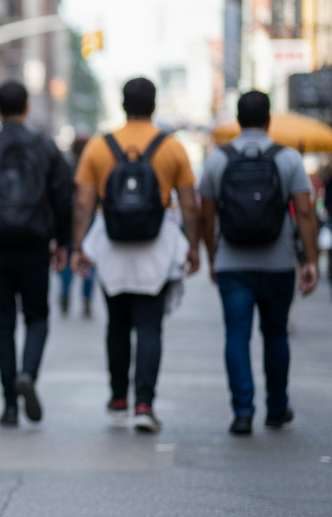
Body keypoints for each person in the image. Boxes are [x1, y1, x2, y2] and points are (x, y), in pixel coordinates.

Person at [71, 78, 201, 434]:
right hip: (155, 249)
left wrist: (78, 246)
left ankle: (117, 399)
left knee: (116, 324)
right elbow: (189, 204)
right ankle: (144, 404)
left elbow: (84, 202)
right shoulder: (172, 147)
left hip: (111, 247)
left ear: (122, 104)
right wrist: (193, 246)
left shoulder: (99, 146)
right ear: (155, 105)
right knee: (149, 326)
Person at [198, 91, 319, 435]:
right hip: (278, 262)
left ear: (237, 119)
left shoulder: (218, 159)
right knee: (275, 334)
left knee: (236, 337)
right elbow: (305, 212)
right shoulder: (289, 159)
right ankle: (277, 408)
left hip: (231, 263)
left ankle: (242, 412)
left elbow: (207, 217)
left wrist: (211, 257)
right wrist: (310, 260)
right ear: (269, 119)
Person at [0, 81, 72, 426]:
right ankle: (28, 374)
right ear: (26, 108)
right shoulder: (45, 148)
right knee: (37, 316)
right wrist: (63, 243)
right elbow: (62, 200)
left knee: (4, 324)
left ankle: (9, 406)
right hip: (35, 244)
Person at [58, 135, 96, 317]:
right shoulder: (91, 165)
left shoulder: (65, 166)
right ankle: (87, 300)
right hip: (90, 220)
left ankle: (65, 294)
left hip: (68, 219)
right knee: (89, 260)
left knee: (67, 259)